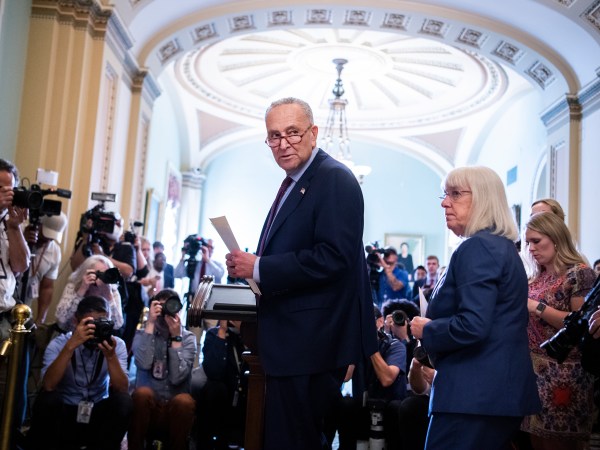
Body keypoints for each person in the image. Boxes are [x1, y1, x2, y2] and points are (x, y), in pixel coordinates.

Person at [225, 97, 377, 450]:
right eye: (274, 136)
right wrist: (251, 265)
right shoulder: (297, 180)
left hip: (312, 342)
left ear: (313, 133)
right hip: (292, 341)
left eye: (292, 133)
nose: (283, 143)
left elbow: (333, 257)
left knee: (296, 441)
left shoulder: (333, 179)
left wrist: (260, 267)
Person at [410, 166, 540, 450]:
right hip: (490, 393)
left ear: (483, 199)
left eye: (456, 194)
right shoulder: (501, 247)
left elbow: (473, 325)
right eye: (445, 194)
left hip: (473, 395)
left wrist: (427, 328)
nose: (445, 202)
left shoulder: (478, 248)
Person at [521, 211, 597, 450]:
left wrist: (537, 307)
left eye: (536, 241)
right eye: (528, 242)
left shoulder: (579, 273)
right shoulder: (537, 277)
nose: (531, 248)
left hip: (565, 373)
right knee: (536, 442)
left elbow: (581, 322)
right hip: (533, 371)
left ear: (555, 238)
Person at [28, 296, 132, 450]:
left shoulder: (117, 345)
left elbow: (122, 388)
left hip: (98, 411)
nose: (95, 330)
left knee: (123, 402)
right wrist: (70, 347)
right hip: (65, 412)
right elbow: (48, 385)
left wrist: (111, 357)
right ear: (76, 322)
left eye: (102, 323)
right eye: (91, 324)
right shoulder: (59, 344)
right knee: (47, 400)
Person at [128, 289, 196, 450]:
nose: (166, 310)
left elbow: (177, 378)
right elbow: (143, 364)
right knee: (142, 393)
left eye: (170, 305)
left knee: (185, 401)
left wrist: (176, 338)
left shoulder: (188, 338)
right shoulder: (143, 333)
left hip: (174, 409)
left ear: (178, 309)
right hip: (149, 407)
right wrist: (150, 323)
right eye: (161, 305)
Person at [195, 319, 248, 450]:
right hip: (223, 397)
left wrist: (246, 332)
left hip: (246, 394)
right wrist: (222, 331)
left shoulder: (253, 334)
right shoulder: (214, 334)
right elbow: (213, 372)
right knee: (215, 388)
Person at [55, 254, 123, 332]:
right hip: (71, 334)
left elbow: (117, 325)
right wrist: (82, 290)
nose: (102, 278)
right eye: (98, 273)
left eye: (105, 274)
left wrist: (108, 295)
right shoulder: (73, 286)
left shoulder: (112, 291)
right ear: (85, 272)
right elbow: (61, 320)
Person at [21, 212, 67, 325]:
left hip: (24, 311)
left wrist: (40, 319)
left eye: (52, 237)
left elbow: (46, 287)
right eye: (46, 234)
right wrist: (22, 241)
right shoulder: (17, 232)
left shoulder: (54, 251)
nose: (48, 240)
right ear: (38, 224)